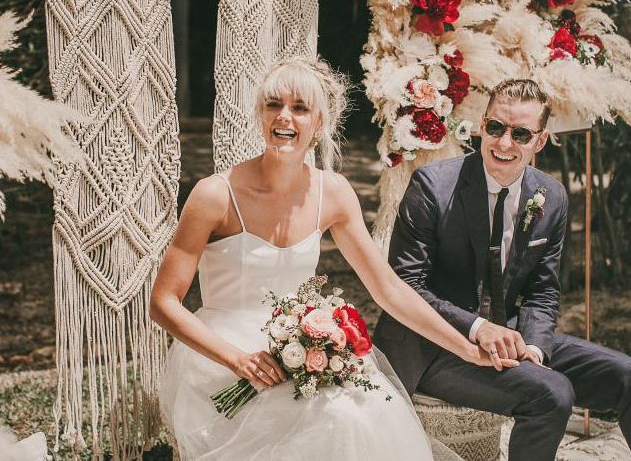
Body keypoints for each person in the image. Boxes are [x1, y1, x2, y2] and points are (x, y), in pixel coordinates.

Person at [151, 57, 514, 460]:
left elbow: (389, 289)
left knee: (362, 416)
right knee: (326, 425)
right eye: (273, 105)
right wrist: (238, 360)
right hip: (222, 358)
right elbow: (164, 302)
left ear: (319, 123)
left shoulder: (334, 194)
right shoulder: (214, 195)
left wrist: (464, 347)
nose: (284, 117)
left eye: (300, 108)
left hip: (304, 353)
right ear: (260, 113)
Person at [374, 78, 631, 461]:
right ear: (482, 125)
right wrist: (479, 329)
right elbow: (406, 285)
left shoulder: (551, 196)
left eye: (521, 133)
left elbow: (544, 291)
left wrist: (535, 350)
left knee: (625, 375)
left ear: (539, 141)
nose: (504, 143)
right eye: (495, 128)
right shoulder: (433, 186)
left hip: (511, 336)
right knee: (552, 394)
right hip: (434, 344)